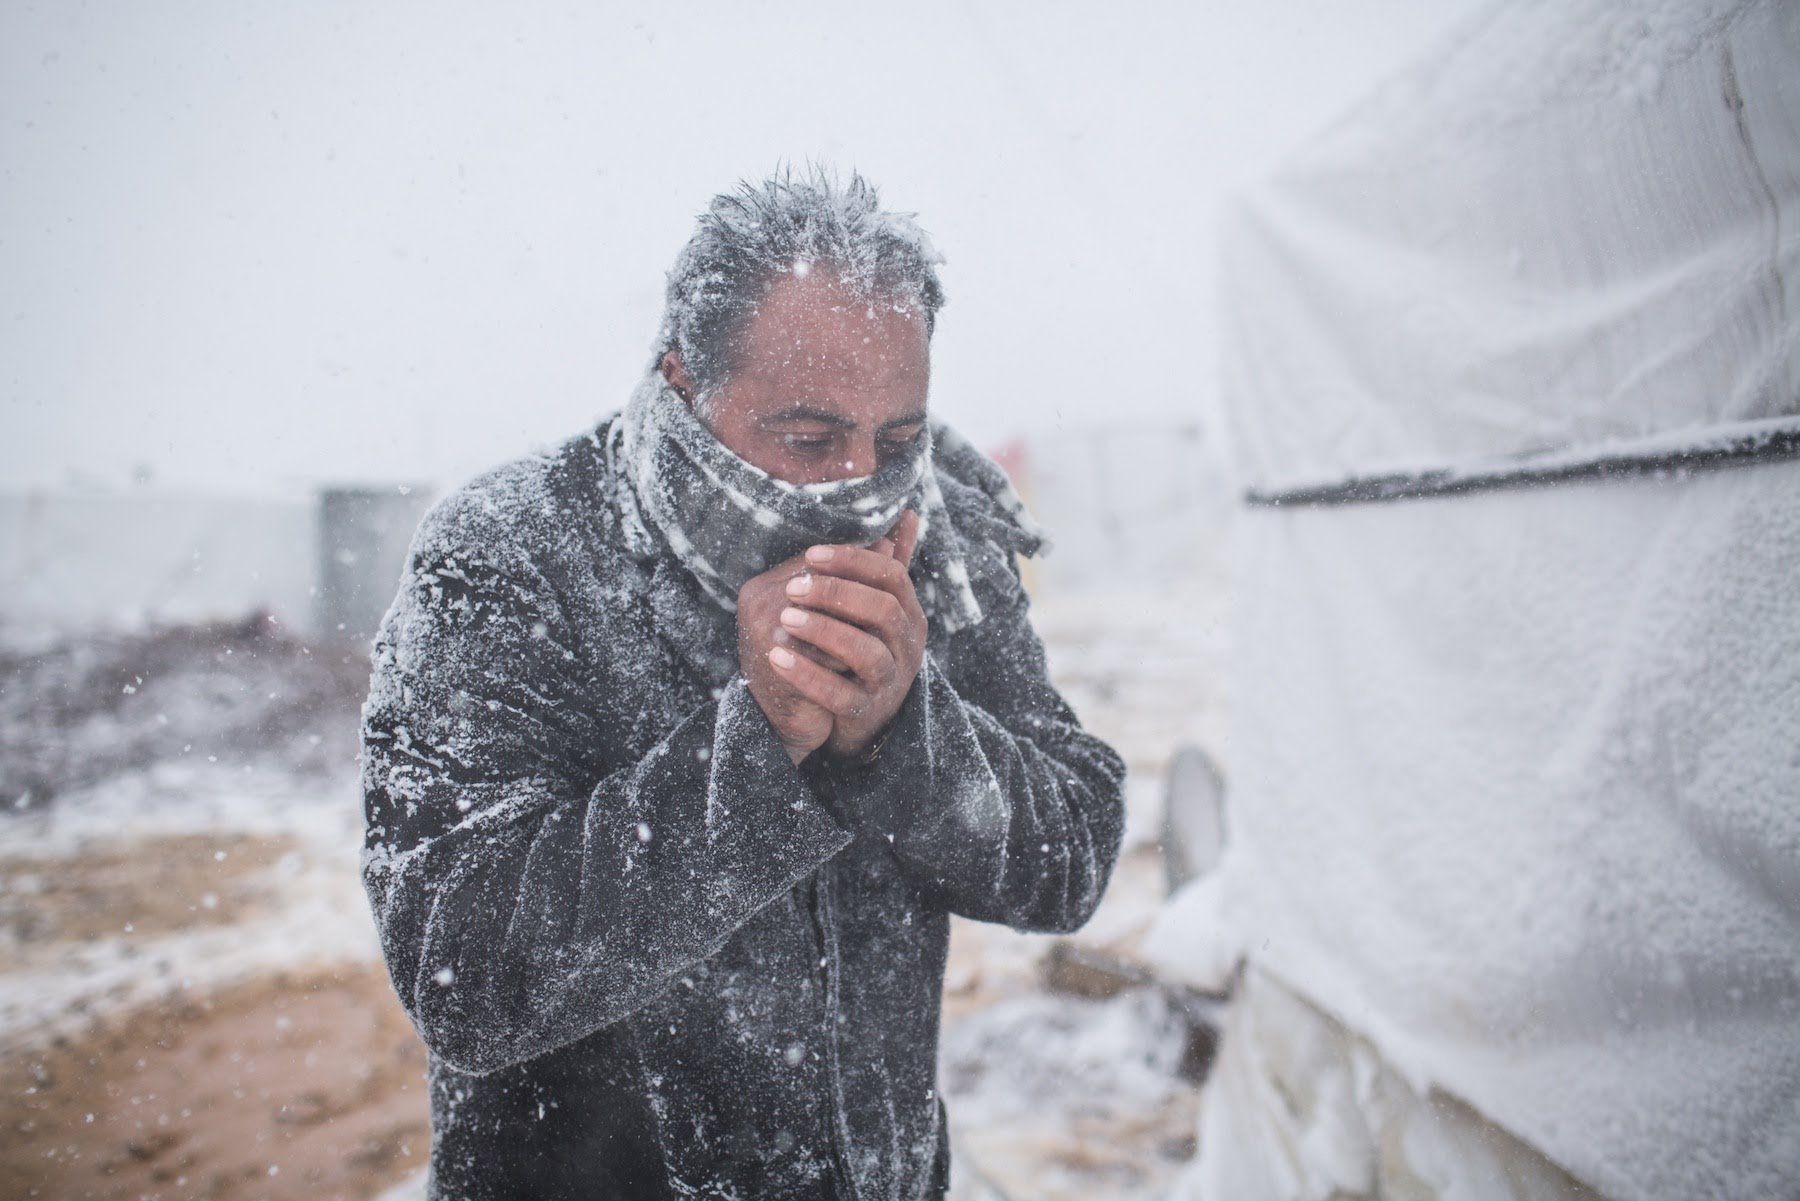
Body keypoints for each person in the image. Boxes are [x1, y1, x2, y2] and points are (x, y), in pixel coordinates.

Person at [359, 167, 1126, 1201]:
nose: (859, 483)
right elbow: (465, 972)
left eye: (896, 440)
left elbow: (1068, 853)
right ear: (684, 379)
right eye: (808, 439)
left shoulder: (941, 537)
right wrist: (757, 745)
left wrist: (902, 734)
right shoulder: (512, 553)